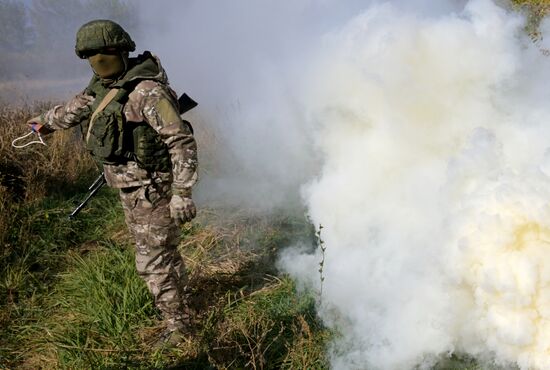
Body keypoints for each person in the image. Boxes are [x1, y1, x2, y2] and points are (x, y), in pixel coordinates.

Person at [26, 19, 198, 347]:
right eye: (90, 56)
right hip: (131, 189)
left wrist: (182, 193)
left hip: (152, 189)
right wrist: (42, 124)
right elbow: (73, 110)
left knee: (152, 260)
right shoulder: (103, 86)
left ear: (120, 51)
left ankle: (179, 329)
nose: (97, 61)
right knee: (163, 255)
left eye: (102, 54)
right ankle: (181, 314)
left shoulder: (148, 91)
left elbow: (181, 141)